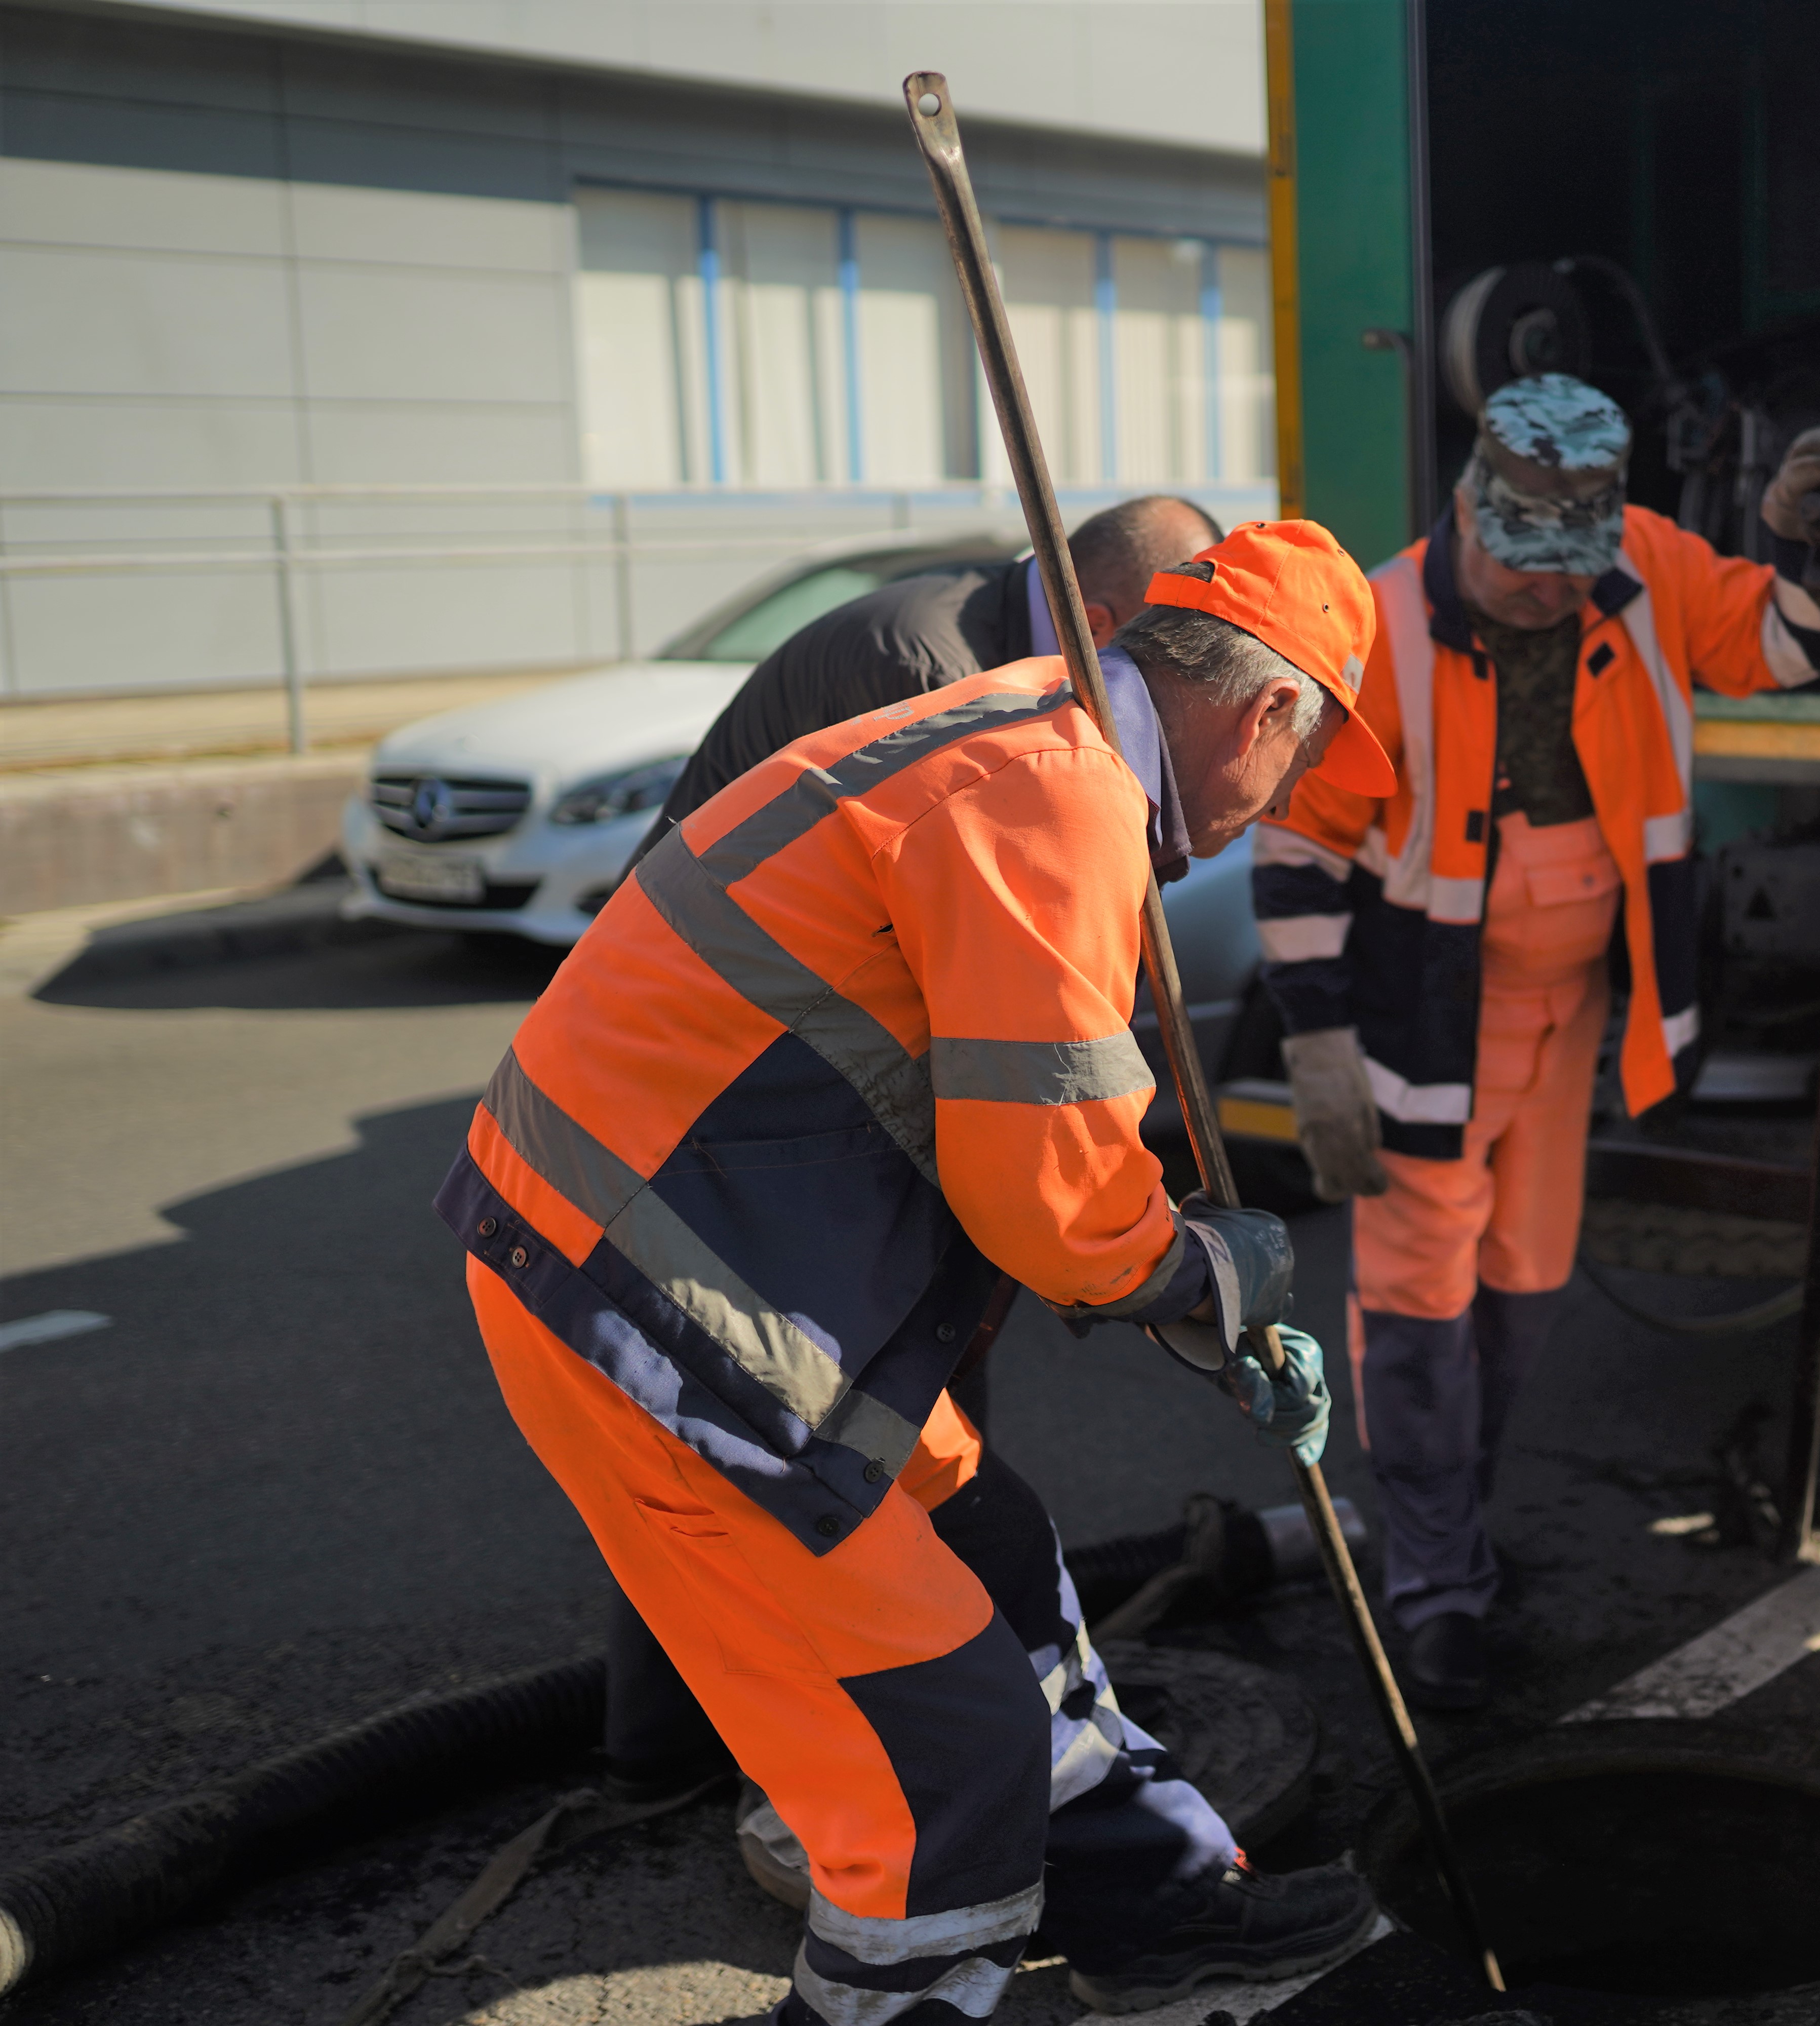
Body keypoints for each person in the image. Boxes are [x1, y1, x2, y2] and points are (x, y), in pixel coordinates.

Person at [438, 520, 1400, 2020]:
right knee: (939, 1750)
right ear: (1268, 709)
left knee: (994, 1552)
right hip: (645, 1298)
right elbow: (1053, 1195)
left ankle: (1157, 1911)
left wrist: (1185, 1281)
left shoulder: (1036, 743)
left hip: (711, 1258)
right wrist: (1210, 1276)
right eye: (1301, 764)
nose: (1278, 808)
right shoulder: (1053, 790)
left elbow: (1017, 1118)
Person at [600, 492, 1226, 1900]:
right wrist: (1113, 1253)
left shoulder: (1008, 661)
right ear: (1115, 619)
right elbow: (1017, 1027)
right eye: (1177, 660)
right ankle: (817, 1781)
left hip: (795, 1073)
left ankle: (687, 1749)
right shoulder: (944, 683)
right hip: (742, 1087)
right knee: (781, 1438)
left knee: (768, 1431)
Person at [1250, 373, 1820, 1708]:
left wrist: (1811, 535)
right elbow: (1297, 846)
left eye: (1567, 569)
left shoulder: (1648, 570)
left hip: (1573, 1017)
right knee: (1419, 1298)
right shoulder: (1383, 626)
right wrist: (1319, 1043)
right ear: (1466, 509)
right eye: (1520, 563)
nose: (1543, 591)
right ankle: (1438, 1588)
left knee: (1524, 1283)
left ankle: (1446, 1519)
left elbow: (1786, 649)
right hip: (1424, 1025)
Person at [632, 493, 1223, 873]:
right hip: (689, 997)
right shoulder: (934, 675)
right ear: (1096, 624)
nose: (1149, 681)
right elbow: (960, 895)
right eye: (1149, 653)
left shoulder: (987, 629)